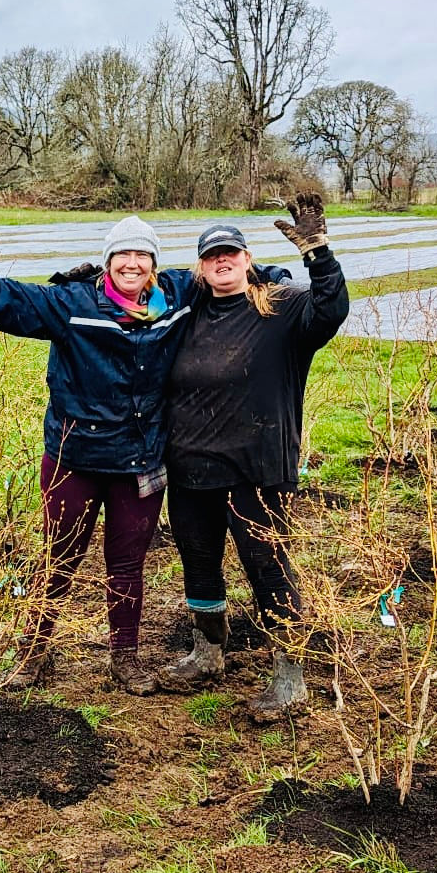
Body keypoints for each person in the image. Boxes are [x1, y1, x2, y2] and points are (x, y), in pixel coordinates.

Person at [0, 216, 195, 694]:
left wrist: (275, 277)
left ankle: (124, 659)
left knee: (127, 564)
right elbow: (9, 299)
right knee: (57, 560)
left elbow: (226, 269)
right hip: (74, 457)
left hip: (140, 461)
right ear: (108, 261)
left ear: (154, 264)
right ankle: (34, 653)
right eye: (123, 254)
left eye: (142, 255)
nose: (132, 263)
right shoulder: (72, 304)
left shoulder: (176, 298)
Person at [157, 193, 349, 721]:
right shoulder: (185, 313)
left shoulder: (282, 308)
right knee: (198, 561)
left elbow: (331, 309)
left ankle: (291, 678)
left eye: (232, 254)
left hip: (257, 470)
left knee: (267, 565)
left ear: (246, 260)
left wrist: (318, 252)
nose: (223, 262)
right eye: (213, 256)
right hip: (191, 468)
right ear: (200, 267)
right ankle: (207, 653)